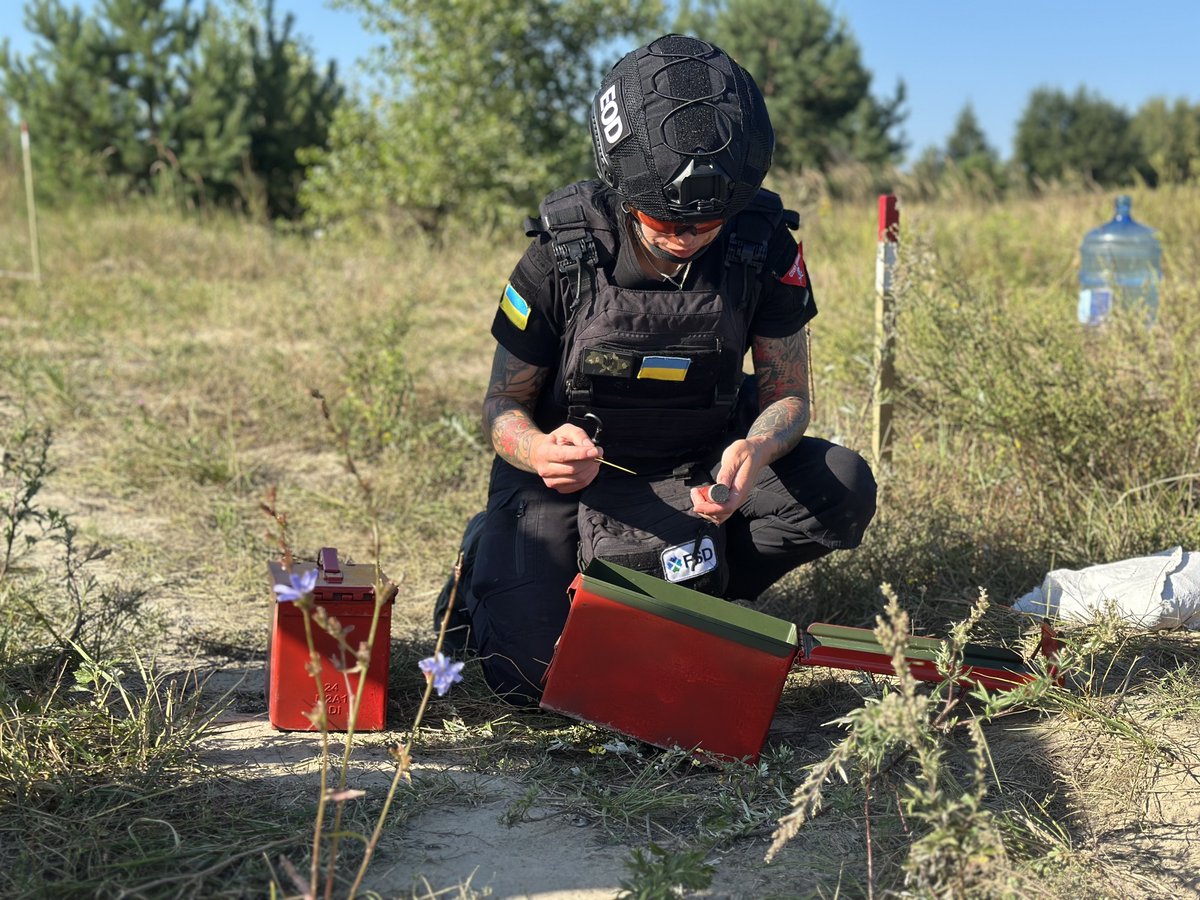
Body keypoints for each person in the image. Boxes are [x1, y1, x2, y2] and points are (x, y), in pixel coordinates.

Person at [446, 33, 876, 705]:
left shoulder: (761, 247)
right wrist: (537, 449)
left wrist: (757, 448)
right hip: (564, 485)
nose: (686, 235)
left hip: (698, 473)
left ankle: (698, 593)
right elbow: (502, 404)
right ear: (625, 195)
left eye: (707, 222)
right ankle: (488, 559)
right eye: (663, 218)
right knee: (536, 679)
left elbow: (788, 393)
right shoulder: (561, 256)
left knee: (841, 485)